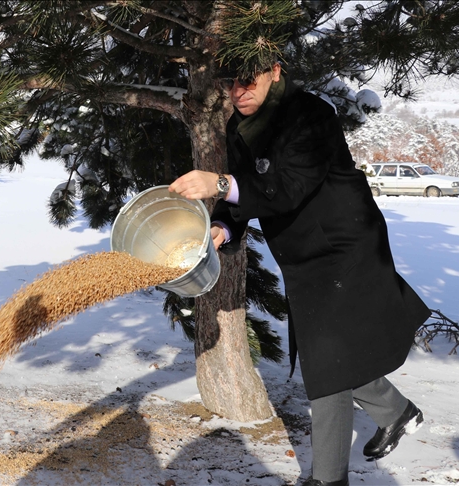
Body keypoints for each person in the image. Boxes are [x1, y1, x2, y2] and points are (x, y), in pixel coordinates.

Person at [169, 62, 430, 486]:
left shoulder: (310, 114)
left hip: (344, 246)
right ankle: (396, 412)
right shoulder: (241, 128)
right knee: (331, 351)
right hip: (303, 255)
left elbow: (288, 186)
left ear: (274, 70)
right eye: (229, 83)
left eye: (247, 78)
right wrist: (224, 226)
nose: (238, 91)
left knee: (324, 358)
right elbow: (246, 195)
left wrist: (218, 184)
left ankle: (328, 478)